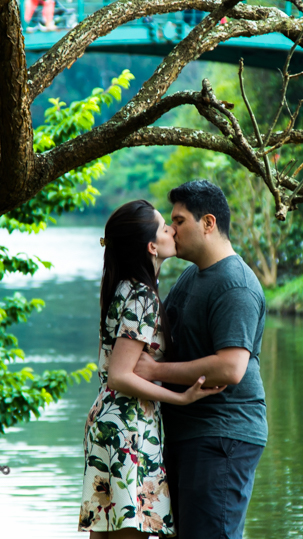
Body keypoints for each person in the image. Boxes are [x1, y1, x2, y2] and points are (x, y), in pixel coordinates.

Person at [79, 200, 225, 537]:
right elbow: (121, 375)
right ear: (151, 246)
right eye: (164, 227)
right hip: (129, 429)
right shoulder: (141, 295)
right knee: (130, 530)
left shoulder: (125, 286)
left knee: (106, 532)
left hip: (111, 423)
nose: (172, 230)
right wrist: (181, 399)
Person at [133, 180, 268, 539]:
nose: (170, 230)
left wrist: (154, 371)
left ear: (208, 223)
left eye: (179, 221)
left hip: (221, 434)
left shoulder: (235, 284)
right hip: (184, 431)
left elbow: (231, 367)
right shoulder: (193, 275)